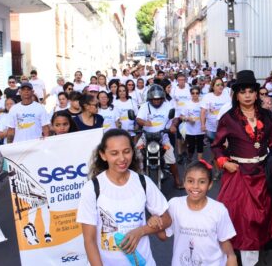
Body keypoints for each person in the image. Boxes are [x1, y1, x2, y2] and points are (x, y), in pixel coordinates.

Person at [212, 70, 272, 266]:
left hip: (263, 175)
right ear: (236, 95)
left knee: (262, 218)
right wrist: (225, 162)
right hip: (238, 176)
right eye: (243, 92)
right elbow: (216, 145)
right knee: (239, 219)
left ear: (257, 94)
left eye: (251, 91)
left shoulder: (267, 115)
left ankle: (255, 256)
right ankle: (237, 258)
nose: (247, 95)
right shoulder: (229, 118)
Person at [77, 129, 171, 266]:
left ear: (133, 152)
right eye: (114, 153)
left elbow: (167, 219)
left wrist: (141, 231)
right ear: (103, 155)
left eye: (126, 151)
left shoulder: (143, 182)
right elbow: (89, 240)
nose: (122, 158)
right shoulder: (92, 188)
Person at [151, 160, 238, 266]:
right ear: (184, 182)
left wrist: (231, 255)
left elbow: (224, 240)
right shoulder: (175, 205)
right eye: (190, 181)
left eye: (202, 182)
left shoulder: (219, 210)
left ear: (210, 184)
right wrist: (155, 223)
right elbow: (164, 236)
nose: (195, 186)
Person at [136, 84, 182, 189]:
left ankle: (177, 179)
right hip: (146, 137)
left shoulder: (168, 106)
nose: (156, 101)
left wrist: (173, 125)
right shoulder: (145, 106)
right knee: (136, 154)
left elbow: (175, 118)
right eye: (154, 99)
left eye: (159, 99)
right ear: (150, 98)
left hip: (163, 138)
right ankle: (138, 178)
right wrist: (144, 122)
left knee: (171, 158)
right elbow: (138, 119)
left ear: (162, 98)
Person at [200, 77, 231, 143]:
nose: (220, 86)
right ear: (213, 87)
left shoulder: (227, 96)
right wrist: (203, 125)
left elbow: (230, 111)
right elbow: (203, 112)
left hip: (224, 128)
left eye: (221, 84)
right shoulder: (207, 97)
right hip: (211, 128)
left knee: (224, 147)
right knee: (214, 147)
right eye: (217, 85)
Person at [181, 86, 205, 162]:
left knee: (200, 146)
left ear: (199, 94)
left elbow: (206, 115)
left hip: (200, 129)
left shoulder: (203, 103)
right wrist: (188, 119)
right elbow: (181, 116)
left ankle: (199, 163)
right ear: (190, 94)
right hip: (190, 130)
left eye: (197, 93)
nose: (195, 95)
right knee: (191, 147)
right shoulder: (187, 104)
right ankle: (189, 158)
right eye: (193, 93)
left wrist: (204, 125)